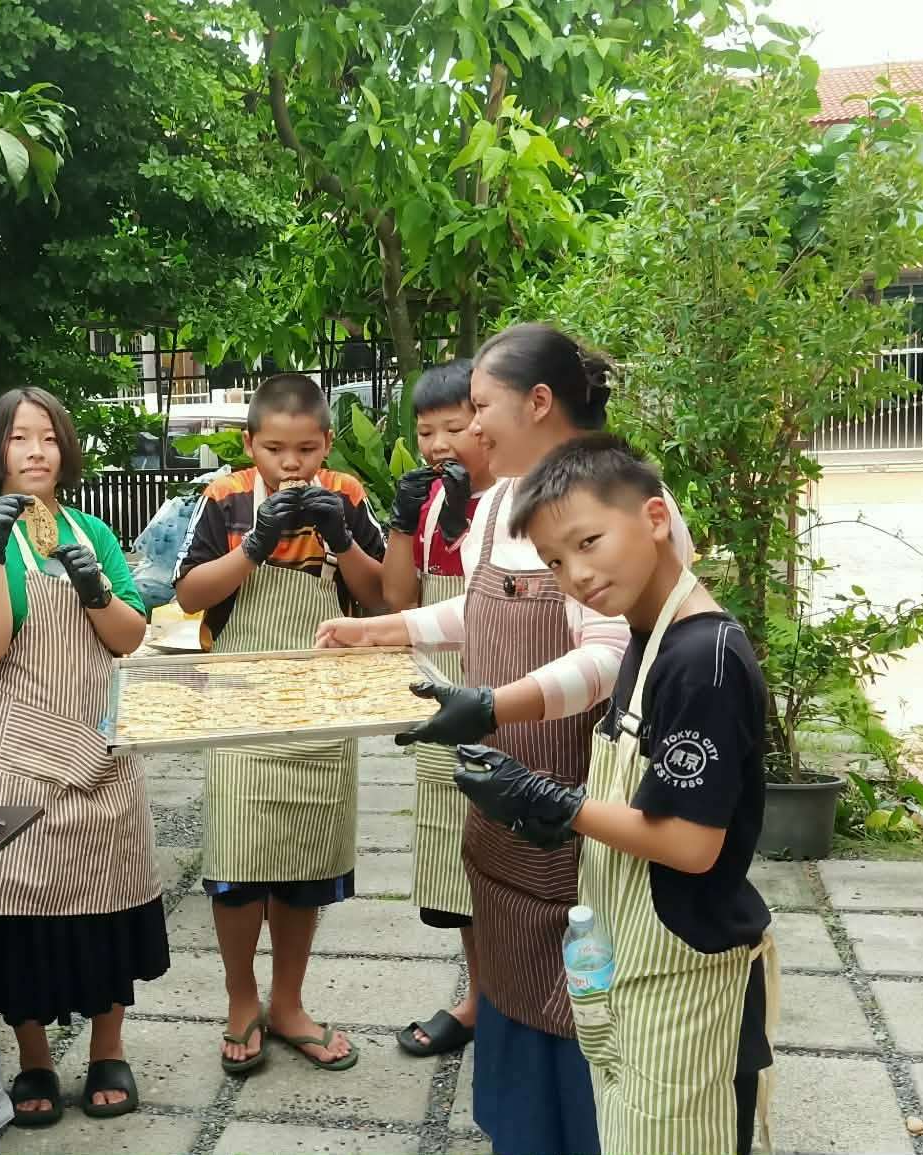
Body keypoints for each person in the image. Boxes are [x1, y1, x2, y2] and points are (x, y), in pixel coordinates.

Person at [317, 323, 693, 1155]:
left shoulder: (617, 505)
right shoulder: (495, 501)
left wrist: (490, 706)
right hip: (503, 802)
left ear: (540, 401)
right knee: (512, 980)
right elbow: (482, 610)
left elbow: (611, 657)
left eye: (483, 407)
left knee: (588, 1009)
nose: (472, 428)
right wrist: (386, 631)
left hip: (584, 806)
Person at [458, 433, 776, 1155]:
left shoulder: (705, 661)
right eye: (555, 562)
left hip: (688, 971)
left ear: (656, 518)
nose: (576, 573)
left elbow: (692, 844)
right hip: (633, 962)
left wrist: (556, 802)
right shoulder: (647, 634)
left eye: (589, 541)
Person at [0, 387, 164, 1127]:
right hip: (10, 751)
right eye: (18, 439)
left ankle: (108, 1048)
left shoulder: (93, 529)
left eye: (47, 439)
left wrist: (95, 585)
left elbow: (127, 636)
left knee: (106, 899)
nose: (35, 452)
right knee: (16, 908)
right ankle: (35, 1058)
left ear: (65, 449)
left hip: (94, 743)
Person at [173, 373, 387, 1075]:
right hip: (237, 699)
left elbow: (382, 595)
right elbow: (187, 591)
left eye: (305, 449)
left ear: (327, 443)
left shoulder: (348, 495)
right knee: (238, 863)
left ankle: (290, 1003)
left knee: (305, 861)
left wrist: (341, 536)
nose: (290, 465)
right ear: (249, 444)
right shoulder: (226, 497)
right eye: (274, 449)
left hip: (320, 702)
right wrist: (254, 546)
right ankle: (242, 1000)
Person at [377, 359, 490, 1058]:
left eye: (455, 426)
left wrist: (462, 513)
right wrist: (402, 514)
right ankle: (480, 996)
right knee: (455, 853)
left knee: (515, 842)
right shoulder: (423, 499)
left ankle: (530, 994)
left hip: (509, 678)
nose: (441, 443)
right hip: (440, 683)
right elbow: (398, 599)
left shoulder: (514, 497)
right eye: (427, 431)